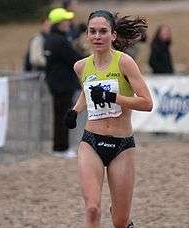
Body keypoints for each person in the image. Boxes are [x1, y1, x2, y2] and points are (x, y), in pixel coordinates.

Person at [64, 10, 153, 227]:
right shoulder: (81, 66)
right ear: (87, 35)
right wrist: (75, 110)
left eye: (103, 31)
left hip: (122, 145)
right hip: (91, 142)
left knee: (120, 221)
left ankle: (122, 217)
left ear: (113, 35)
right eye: (92, 31)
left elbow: (147, 103)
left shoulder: (125, 62)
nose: (97, 36)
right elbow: (88, 91)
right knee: (93, 209)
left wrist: (114, 97)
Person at [44, 8, 83, 158]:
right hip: (63, 84)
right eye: (66, 20)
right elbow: (74, 58)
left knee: (58, 116)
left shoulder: (50, 38)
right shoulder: (60, 40)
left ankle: (58, 147)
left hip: (56, 83)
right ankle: (62, 148)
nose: (68, 23)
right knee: (63, 117)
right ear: (59, 23)